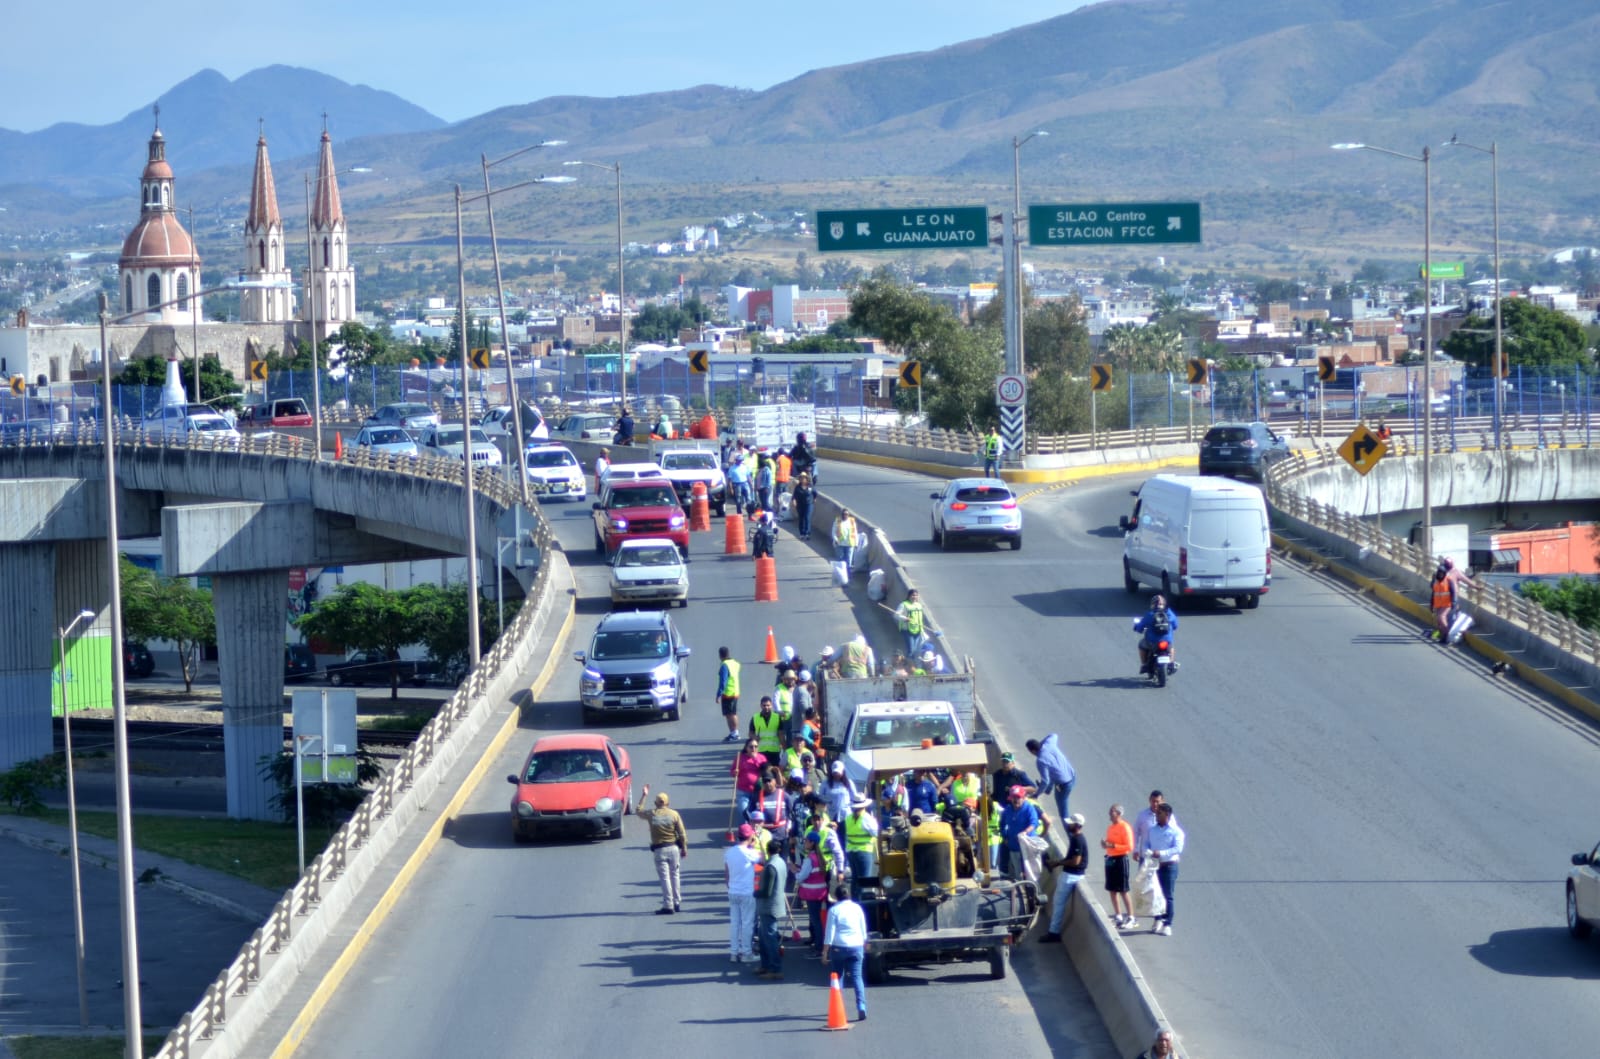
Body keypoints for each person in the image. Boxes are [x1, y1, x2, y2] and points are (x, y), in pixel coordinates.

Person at [636, 786, 688, 914]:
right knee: (675, 875)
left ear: (656, 803)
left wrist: (644, 795)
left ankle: (668, 905)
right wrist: (684, 847)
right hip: (674, 848)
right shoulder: (674, 814)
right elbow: (682, 833)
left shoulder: (652, 814)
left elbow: (638, 811)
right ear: (668, 803)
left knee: (665, 878)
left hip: (659, 850)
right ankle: (677, 902)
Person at [1039, 812, 1089, 943]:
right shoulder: (1076, 838)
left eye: (1071, 823)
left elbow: (1076, 861)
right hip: (1072, 874)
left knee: (1058, 902)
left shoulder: (1078, 840)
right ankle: (1053, 931)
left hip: (1071, 876)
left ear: (1077, 826)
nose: (1068, 825)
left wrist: (1058, 863)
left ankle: (1053, 932)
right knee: (1058, 902)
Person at [822, 883, 868, 1022]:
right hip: (856, 945)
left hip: (839, 947)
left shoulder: (834, 910)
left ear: (836, 897)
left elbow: (829, 933)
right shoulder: (857, 908)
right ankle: (861, 1006)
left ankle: (839, 1006)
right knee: (857, 977)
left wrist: (825, 952)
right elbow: (863, 930)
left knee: (838, 976)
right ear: (849, 894)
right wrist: (864, 943)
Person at [1138, 802, 1185, 936]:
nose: (1157, 816)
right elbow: (1146, 842)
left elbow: (1177, 849)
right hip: (1155, 865)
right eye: (1157, 813)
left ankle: (1167, 923)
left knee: (1167, 895)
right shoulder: (1153, 829)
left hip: (1169, 866)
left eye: (1160, 813)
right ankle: (1157, 919)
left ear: (1167, 815)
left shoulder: (1176, 831)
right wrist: (1147, 850)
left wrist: (1161, 853)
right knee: (1155, 894)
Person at [723, 824, 760, 963]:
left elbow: (726, 874)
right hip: (746, 892)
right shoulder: (750, 852)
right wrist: (754, 845)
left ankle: (733, 952)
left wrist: (730, 886)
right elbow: (763, 861)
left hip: (733, 891)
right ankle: (746, 953)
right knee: (747, 923)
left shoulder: (728, 852)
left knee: (734, 923)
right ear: (750, 836)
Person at [755, 839, 789, 978]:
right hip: (776, 904)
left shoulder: (770, 867)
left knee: (769, 939)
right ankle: (765, 965)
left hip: (769, 906)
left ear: (768, 851)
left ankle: (774, 969)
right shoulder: (780, 862)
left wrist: (755, 892)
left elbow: (766, 892)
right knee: (764, 938)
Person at [794, 830, 831, 956]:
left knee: (816, 921)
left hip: (812, 893)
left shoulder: (809, 859)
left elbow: (801, 877)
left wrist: (794, 871)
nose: (804, 842)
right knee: (818, 921)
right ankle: (819, 944)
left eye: (806, 841)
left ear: (812, 843)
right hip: (821, 892)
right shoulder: (819, 857)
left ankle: (819, 948)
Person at [1025, 733, 1077, 823]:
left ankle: (1071, 833)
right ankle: (1048, 790)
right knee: (1052, 772)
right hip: (1072, 776)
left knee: (1063, 814)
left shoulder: (1040, 760)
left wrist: (1036, 795)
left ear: (1032, 751)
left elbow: (1045, 781)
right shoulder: (1049, 744)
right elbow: (1054, 735)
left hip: (1063, 785)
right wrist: (1041, 743)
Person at [1103, 803, 1136, 929]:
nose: (1110, 814)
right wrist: (1106, 845)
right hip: (1111, 859)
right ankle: (1118, 916)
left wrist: (1113, 846)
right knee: (1112, 889)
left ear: (1118, 813)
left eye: (1112, 812)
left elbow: (1129, 846)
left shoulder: (1125, 827)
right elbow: (1109, 843)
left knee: (1123, 890)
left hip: (1121, 859)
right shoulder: (1111, 828)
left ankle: (1131, 917)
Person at [998, 784, 1041, 878]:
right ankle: (1020, 887)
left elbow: (1034, 823)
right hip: (1014, 846)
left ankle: (1032, 889)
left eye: (1018, 797)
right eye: (1013, 797)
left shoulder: (1029, 808)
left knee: (1030, 873)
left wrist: (1025, 832)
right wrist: (1005, 836)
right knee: (1018, 872)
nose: (1015, 800)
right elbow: (1002, 824)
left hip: (1027, 846)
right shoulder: (1008, 810)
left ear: (1024, 797)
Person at [842, 795, 879, 900]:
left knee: (855, 880)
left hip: (851, 852)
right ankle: (862, 904)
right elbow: (876, 832)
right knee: (864, 881)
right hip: (864, 852)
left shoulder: (848, 818)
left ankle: (854, 901)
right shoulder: (867, 818)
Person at [1133, 594, 1180, 675]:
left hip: (1152, 642)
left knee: (1141, 645)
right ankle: (1171, 663)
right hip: (1166, 641)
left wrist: (1137, 627)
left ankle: (1144, 665)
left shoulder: (1150, 615)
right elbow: (1175, 625)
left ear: (1153, 604)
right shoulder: (1170, 614)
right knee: (1171, 646)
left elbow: (1140, 627)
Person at [730, 739, 767, 820]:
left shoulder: (762, 758)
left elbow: (765, 770)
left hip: (758, 791)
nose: (753, 749)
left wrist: (755, 759)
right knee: (744, 811)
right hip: (743, 791)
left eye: (756, 746)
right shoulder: (740, 758)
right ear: (746, 748)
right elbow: (732, 771)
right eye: (751, 747)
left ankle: (755, 829)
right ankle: (745, 830)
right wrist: (735, 772)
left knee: (757, 813)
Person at [716, 645, 741, 742]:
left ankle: (735, 733)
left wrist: (718, 694)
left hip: (728, 693)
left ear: (720, 655)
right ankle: (733, 733)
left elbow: (723, 681)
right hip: (735, 691)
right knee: (731, 713)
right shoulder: (735, 663)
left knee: (730, 714)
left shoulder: (724, 665)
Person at [895, 588, 928, 659]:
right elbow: (896, 615)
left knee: (915, 650)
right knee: (911, 649)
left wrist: (922, 630)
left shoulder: (919, 605)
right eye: (913, 595)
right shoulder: (903, 605)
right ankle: (908, 664)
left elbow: (920, 619)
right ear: (909, 596)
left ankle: (911, 664)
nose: (914, 597)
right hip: (907, 630)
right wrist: (905, 618)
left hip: (918, 630)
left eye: (916, 595)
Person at [792, 473, 816, 540]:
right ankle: (802, 533)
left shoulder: (810, 486)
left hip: (809, 504)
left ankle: (807, 533)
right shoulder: (798, 487)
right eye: (801, 478)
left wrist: (814, 499)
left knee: (807, 517)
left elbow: (815, 493)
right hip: (800, 504)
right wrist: (794, 501)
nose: (803, 480)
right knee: (801, 518)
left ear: (806, 479)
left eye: (804, 478)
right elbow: (794, 495)